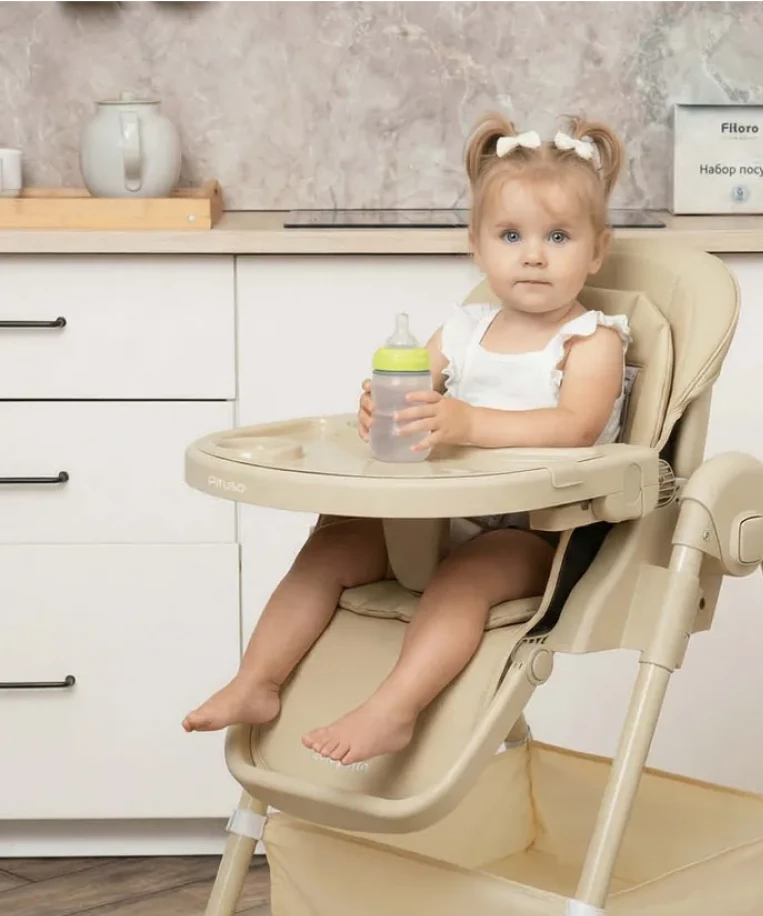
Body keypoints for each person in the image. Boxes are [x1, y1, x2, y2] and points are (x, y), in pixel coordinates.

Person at [183, 111, 632, 765]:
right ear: (477, 246)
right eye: (511, 235)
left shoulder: (590, 340)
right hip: (441, 518)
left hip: (538, 532)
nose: (533, 254)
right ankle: (258, 681)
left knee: (464, 581)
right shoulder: (463, 331)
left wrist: (468, 424)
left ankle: (394, 709)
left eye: (558, 236)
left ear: (596, 250)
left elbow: (575, 427)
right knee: (334, 544)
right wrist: (381, 411)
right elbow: (411, 394)